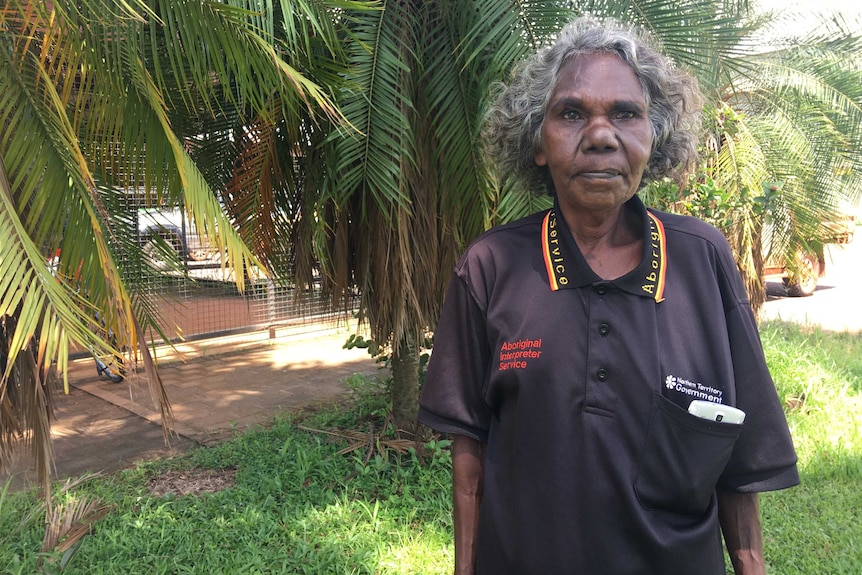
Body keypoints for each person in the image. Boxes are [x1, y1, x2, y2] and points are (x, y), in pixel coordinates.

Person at [418, 17, 799, 575]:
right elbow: (470, 451)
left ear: (655, 136)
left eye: (625, 113)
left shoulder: (701, 259)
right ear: (538, 143)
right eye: (571, 113)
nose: (599, 135)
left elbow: (737, 457)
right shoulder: (491, 266)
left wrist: (750, 564)